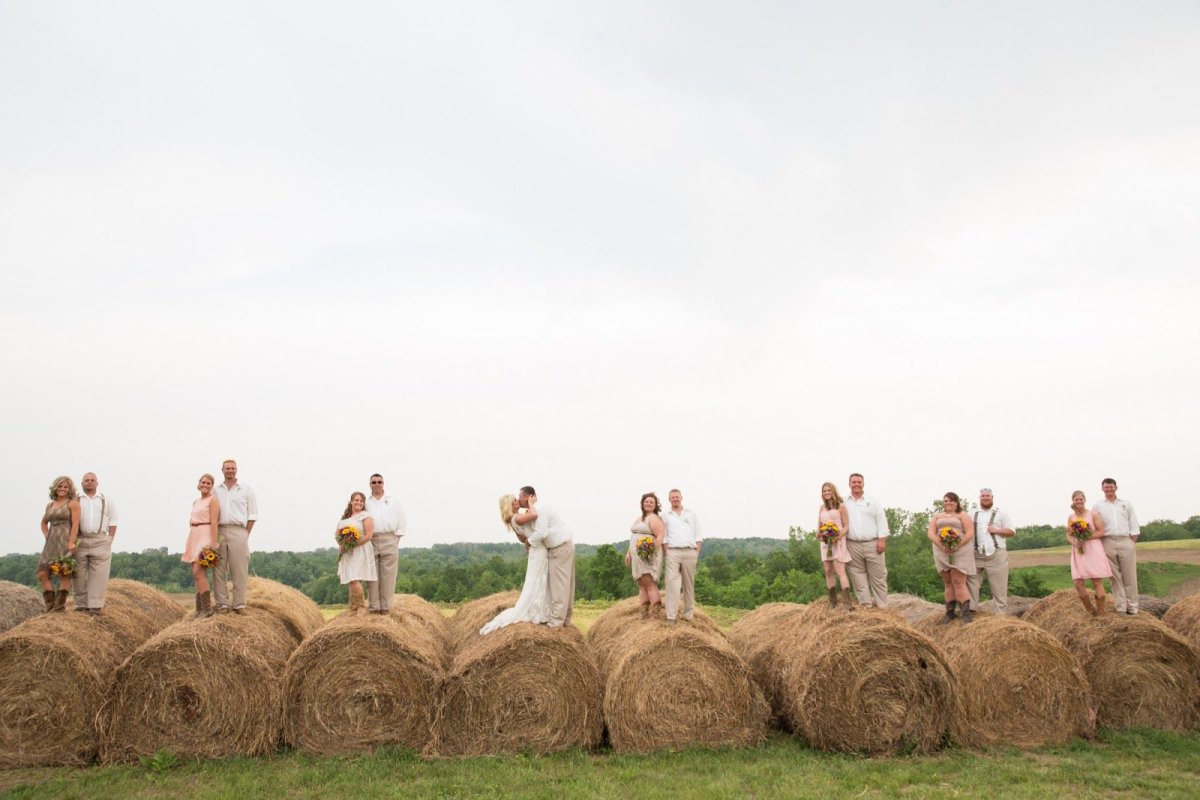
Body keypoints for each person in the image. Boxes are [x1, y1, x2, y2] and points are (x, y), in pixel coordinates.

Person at [480, 494, 550, 633]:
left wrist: (527, 539)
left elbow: (522, 538)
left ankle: (541, 610)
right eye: (515, 501)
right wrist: (531, 502)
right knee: (538, 579)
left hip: (536, 550)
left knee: (536, 580)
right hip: (538, 551)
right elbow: (535, 515)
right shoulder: (516, 517)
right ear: (510, 505)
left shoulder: (514, 519)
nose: (518, 501)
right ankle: (540, 611)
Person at [520, 486, 575, 628]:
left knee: (558, 587)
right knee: (566, 585)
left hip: (559, 549)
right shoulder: (538, 511)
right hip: (565, 546)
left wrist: (529, 542)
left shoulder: (541, 510)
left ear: (528, 497)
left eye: (520, 496)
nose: (519, 499)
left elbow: (542, 532)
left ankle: (556, 623)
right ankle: (565, 621)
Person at [213, 459, 258, 614]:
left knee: (239, 569)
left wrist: (245, 534)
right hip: (219, 531)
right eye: (227, 468)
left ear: (236, 470)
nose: (230, 471)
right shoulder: (216, 490)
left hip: (239, 531)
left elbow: (252, 515)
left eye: (232, 468)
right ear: (222, 470)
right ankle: (222, 604)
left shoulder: (246, 490)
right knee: (218, 568)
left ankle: (239, 604)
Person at [73, 472, 119, 615]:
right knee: (77, 574)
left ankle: (95, 606)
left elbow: (113, 520)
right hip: (80, 539)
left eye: (92, 480)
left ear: (97, 483)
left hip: (100, 539)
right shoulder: (75, 500)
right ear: (82, 484)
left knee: (99, 575)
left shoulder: (106, 500)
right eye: (86, 480)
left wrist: (110, 539)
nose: (89, 482)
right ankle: (80, 605)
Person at [1094, 478, 1141, 615]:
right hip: (1107, 541)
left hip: (1125, 540)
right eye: (1106, 487)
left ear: (1116, 487)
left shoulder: (1126, 504)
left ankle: (1133, 607)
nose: (1109, 489)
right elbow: (1095, 525)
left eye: (1111, 487)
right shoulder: (1098, 506)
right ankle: (1121, 607)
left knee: (1130, 575)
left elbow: (1133, 523)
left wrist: (1132, 541)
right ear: (1102, 489)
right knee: (1114, 576)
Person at [929, 492, 977, 624]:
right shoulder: (937, 516)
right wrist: (941, 545)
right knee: (948, 582)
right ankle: (949, 613)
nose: (948, 503)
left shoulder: (963, 515)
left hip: (960, 550)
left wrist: (957, 545)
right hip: (941, 551)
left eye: (951, 501)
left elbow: (969, 533)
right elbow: (931, 533)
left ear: (956, 502)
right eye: (945, 501)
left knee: (958, 581)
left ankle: (965, 614)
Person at [844, 473, 890, 608]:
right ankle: (866, 606)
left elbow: (882, 521)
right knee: (858, 578)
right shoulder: (843, 502)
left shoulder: (872, 501)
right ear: (849, 484)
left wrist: (882, 540)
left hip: (873, 543)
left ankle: (882, 607)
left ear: (863, 484)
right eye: (854, 482)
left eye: (859, 482)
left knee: (879, 577)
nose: (856, 484)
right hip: (852, 544)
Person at [966, 488, 1016, 614]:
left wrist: (997, 530)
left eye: (988, 496)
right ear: (979, 498)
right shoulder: (972, 513)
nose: (985, 498)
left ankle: (1000, 614)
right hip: (976, 553)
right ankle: (971, 610)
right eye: (983, 496)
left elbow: (1012, 531)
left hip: (996, 553)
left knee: (999, 585)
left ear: (992, 497)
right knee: (971, 581)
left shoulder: (1001, 513)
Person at [365, 473, 407, 615]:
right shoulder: (366, 502)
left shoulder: (393, 500)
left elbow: (402, 520)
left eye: (379, 482)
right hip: (371, 539)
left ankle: (386, 608)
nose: (377, 484)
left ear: (383, 483)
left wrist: (396, 540)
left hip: (390, 538)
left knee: (388, 576)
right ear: (370, 484)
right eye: (374, 482)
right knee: (372, 576)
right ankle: (374, 607)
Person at [39, 476, 80, 612]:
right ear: (55, 488)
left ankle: (59, 608)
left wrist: (71, 542)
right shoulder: (50, 505)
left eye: (65, 487)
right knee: (42, 574)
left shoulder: (72, 503)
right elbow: (44, 522)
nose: (62, 489)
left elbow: (75, 524)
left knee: (63, 573)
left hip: (66, 541)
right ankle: (50, 607)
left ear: (69, 490)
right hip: (51, 543)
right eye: (60, 486)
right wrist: (47, 535)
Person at [182, 474, 221, 618]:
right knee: (196, 574)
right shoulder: (196, 502)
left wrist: (213, 541)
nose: (205, 485)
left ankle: (207, 609)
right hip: (194, 534)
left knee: (199, 571)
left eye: (209, 483)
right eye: (203, 482)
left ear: (212, 486)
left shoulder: (213, 500)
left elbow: (214, 521)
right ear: (198, 484)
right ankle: (199, 609)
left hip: (206, 534)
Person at [1067, 490, 1111, 616]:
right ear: (1073, 501)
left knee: (1096, 581)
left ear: (1084, 500)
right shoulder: (1071, 517)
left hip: (1092, 549)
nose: (1079, 501)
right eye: (1076, 499)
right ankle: (1090, 610)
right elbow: (1068, 534)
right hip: (1078, 550)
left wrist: (1086, 537)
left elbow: (1102, 532)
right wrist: (1075, 543)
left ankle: (1100, 613)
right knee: (1077, 582)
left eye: (1081, 499)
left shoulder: (1093, 514)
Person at [662, 488, 702, 624]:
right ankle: (671, 617)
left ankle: (688, 615)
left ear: (681, 498)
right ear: (669, 499)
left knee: (689, 585)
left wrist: (696, 553)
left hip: (690, 552)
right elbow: (664, 537)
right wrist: (667, 551)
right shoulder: (665, 516)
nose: (675, 499)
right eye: (672, 497)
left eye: (677, 497)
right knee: (672, 584)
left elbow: (698, 535)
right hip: (673, 552)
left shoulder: (691, 514)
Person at [625, 492, 665, 618]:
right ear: (642, 503)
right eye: (646, 501)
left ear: (655, 505)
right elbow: (634, 537)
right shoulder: (639, 518)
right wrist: (629, 553)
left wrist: (652, 552)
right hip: (637, 555)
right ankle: (644, 614)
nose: (648, 503)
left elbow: (660, 536)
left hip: (647, 555)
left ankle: (655, 614)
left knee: (649, 583)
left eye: (651, 502)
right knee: (642, 584)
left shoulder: (654, 518)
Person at [335, 491, 375, 616]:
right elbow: (337, 535)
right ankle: (353, 606)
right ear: (351, 502)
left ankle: (362, 606)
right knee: (350, 578)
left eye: (361, 501)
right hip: (347, 552)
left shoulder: (365, 516)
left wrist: (351, 545)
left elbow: (368, 536)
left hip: (360, 550)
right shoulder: (344, 520)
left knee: (354, 577)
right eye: (356, 500)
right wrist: (342, 545)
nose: (359, 502)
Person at [817, 482, 853, 609]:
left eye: (828, 490)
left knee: (840, 571)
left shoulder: (841, 506)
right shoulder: (822, 507)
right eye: (824, 491)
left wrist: (837, 537)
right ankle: (833, 601)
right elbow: (820, 526)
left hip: (837, 542)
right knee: (828, 571)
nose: (826, 492)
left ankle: (847, 603)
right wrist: (819, 534)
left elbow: (846, 526)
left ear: (833, 491)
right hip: (826, 543)